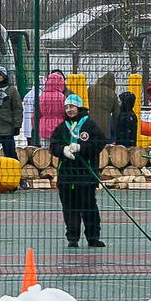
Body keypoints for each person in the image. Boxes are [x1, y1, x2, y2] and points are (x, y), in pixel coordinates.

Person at [48, 96, 106, 248]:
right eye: (66, 107)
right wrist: (63, 150)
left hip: (86, 175)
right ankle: (73, 237)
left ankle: (93, 237)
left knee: (89, 207)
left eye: (72, 107)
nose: (69, 110)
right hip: (66, 176)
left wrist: (81, 148)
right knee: (69, 208)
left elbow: (100, 141)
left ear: (79, 107)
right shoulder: (62, 127)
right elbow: (53, 144)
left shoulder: (90, 125)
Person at [109, 85, 139, 156]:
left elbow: (128, 132)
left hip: (126, 145)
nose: (119, 103)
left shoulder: (129, 116)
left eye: (121, 101)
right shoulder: (123, 114)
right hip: (121, 144)